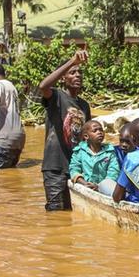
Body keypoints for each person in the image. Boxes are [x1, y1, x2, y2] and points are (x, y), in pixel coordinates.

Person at [38, 50, 91, 210]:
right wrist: (72, 61)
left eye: (79, 72)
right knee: (56, 211)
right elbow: (43, 86)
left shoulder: (84, 105)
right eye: (72, 73)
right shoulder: (56, 97)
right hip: (55, 166)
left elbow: (86, 138)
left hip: (75, 168)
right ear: (63, 78)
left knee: (71, 211)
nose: (77, 75)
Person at [70, 120, 119, 189]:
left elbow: (113, 172)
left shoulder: (109, 152)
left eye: (101, 130)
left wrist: (100, 187)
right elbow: (74, 169)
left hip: (104, 189)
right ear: (86, 136)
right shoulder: (80, 152)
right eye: (95, 130)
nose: (99, 132)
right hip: (84, 187)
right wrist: (85, 183)